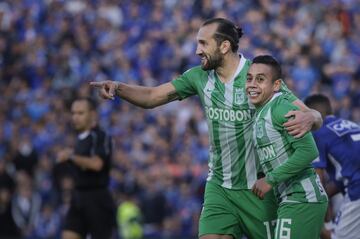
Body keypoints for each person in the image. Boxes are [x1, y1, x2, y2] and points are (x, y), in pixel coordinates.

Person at [91, 18, 322, 239]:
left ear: (224, 46)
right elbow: (152, 96)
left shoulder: (256, 76)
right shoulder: (198, 77)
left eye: (203, 43)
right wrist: (119, 87)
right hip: (219, 186)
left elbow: (308, 116)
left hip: (257, 189)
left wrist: (313, 115)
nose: (197, 51)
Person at [247, 55, 328, 239]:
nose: (252, 84)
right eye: (249, 78)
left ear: (276, 85)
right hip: (288, 197)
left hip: (302, 197)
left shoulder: (280, 108)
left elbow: (309, 151)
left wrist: (270, 180)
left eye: (260, 79)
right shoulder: (262, 110)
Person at [56, 97, 115, 239]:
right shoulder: (79, 139)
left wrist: (71, 157)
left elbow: (97, 164)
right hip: (78, 196)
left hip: (97, 198)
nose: (75, 117)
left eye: (80, 113)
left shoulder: (100, 136)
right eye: (73, 113)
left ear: (93, 114)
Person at [304, 94, 360, 239]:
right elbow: (345, 173)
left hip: (356, 189)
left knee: (333, 236)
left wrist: (326, 223)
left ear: (311, 115)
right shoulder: (352, 125)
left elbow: (319, 181)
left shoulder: (317, 133)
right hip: (354, 184)